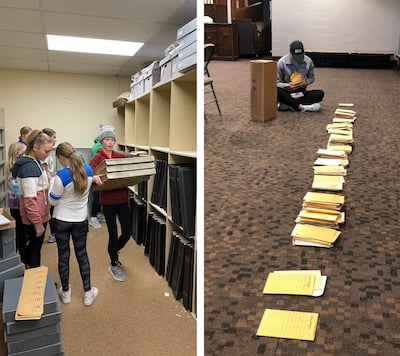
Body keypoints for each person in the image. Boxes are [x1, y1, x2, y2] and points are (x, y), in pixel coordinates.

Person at [49, 142, 98, 306]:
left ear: (62, 158)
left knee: (64, 256)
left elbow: (52, 201)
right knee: (82, 255)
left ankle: (66, 293)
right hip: (80, 220)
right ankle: (88, 293)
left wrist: (51, 184)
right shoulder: (89, 171)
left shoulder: (60, 176)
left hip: (62, 220)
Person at [90, 125, 132, 282]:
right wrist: (94, 179)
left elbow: (130, 169)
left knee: (127, 232)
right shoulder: (98, 157)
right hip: (107, 200)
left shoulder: (120, 156)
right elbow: (89, 173)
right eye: (107, 139)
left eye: (112, 139)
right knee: (113, 233)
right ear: (102, 141)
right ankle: (113, 261)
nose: (110, 142)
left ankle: (114, 250)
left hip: (122, 198)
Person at [11, 130, 53, 268]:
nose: (48, 155)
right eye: (46, 151)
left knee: (34, 250)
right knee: (35, 251)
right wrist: (38, 223)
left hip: (39, 215)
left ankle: (31, 273)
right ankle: (35, 283)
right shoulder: (29, 168)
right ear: (35, 147)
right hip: (36, 218)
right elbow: (29, 201)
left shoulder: (35, 162)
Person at [277, 40, 324, 112]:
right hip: (286, 92)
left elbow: (311, 78)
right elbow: (276, 83)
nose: (298, 61)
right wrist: (286, 85)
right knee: (277, 91)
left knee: (319, 93)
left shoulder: (308, 61)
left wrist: (305, 82)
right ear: (290, 53)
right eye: (295, 58)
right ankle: (301, 107)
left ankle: (290, 105)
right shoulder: (281, 63)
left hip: (300, 93)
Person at [6, 141, 27, 262]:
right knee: (21, 233)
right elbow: (18, 191)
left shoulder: (14, 167)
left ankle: (22, 257)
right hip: (17, 206)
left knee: (21, 232)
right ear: (16, 155)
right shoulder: (14, 169)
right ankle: (22, 260)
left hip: (15, 205)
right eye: (22, 154)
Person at [42, 128, 57, 243]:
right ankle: (51, 233)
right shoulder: (46, 153)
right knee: (49, 210)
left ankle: (53, 233)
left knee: (50, 210)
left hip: (50, 183)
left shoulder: (50, 152)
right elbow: (46, 171)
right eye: (54, 137)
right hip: (47, 186)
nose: (56, 139)